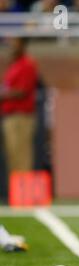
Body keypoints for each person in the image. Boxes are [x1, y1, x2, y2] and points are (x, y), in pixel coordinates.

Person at [0, 37, 38, 180]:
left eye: (14, 43)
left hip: (20, 116)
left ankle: (24, 192)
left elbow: (22, 91)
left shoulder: (27, 64)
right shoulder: (14, 65)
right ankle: (17, 193)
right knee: (12, 156)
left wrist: (2, 94)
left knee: (22, 155)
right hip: (10, 116)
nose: (11, 46)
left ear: (22, 44)